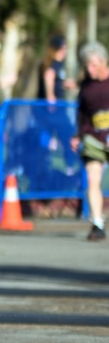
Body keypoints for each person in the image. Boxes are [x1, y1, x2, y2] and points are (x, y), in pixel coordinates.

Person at [70, 41, 109, 242]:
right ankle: (97, 223)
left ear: (104, 62)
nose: (90, 69)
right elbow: (82, 113)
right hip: (94, 138)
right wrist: (78, 135)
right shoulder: (87, 86)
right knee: (93, 179)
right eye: (86, 66)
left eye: (94, 65)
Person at [38, 35, 76, 103]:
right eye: (61, 49)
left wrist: (64, 84)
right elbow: (49, 76)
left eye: (65, 48)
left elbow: (56, 81)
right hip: (52, 106)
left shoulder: (60, 63)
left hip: (59, 103)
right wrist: (50, 97)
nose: (64, 51)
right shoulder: (52, 63)